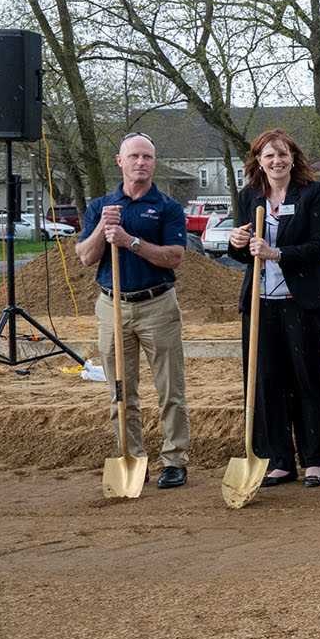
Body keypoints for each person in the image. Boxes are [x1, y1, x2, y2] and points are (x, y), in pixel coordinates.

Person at [226, 128, 320, 487]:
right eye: (269, 156)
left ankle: (314, 459)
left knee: (308, 377)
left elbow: (317, 245)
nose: (276, 161)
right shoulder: (250, 196)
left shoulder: (311, 193)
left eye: (282, 154)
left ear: (293, 158)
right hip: (261, 304)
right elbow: (243, 252)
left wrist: (276, 253)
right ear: (258, 162)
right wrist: (236, 242)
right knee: (267, 381)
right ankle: (279, 459)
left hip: (301, 301)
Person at [76, 133, 190, 488]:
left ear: (153, 163)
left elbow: (175, 256)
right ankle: (131, 455)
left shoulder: (168, 207)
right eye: (134, 157)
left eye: (147, 157)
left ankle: (174, 460)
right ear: (119, 161)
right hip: (112, 306)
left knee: (170, 388)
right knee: (121, 390)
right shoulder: (101, 206)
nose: (141, 163)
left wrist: (130, 242)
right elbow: (85, 257)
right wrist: (103, 228)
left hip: (157, 303)